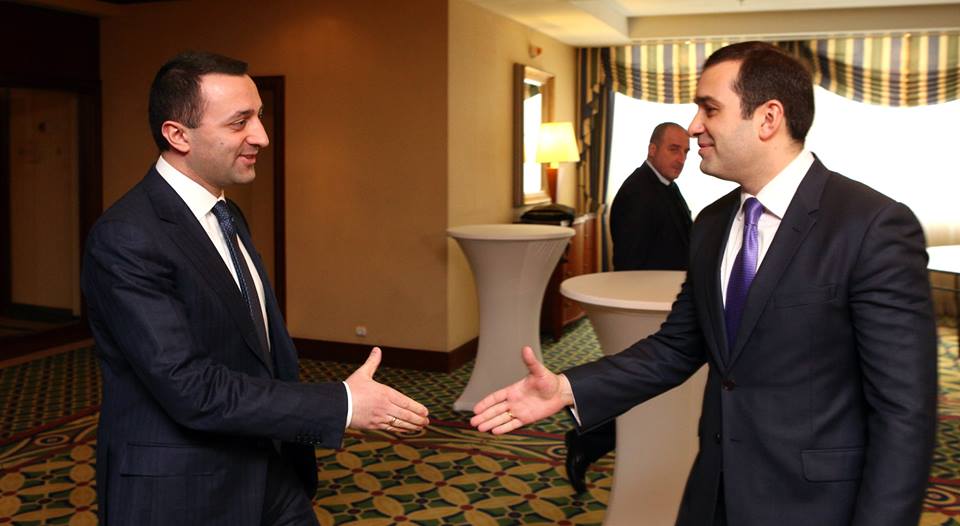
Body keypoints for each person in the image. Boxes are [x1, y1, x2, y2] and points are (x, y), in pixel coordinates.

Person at [471, 41, 936, 525]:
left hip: (813, 505)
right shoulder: (712, 223)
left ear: (768, 118)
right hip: (713, 493)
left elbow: (904, 412)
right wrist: (568, 388)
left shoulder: (871, 225)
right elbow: (676, 347)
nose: (694, 126)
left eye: (709, 109)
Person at [81, 51, 429, 525]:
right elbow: (189, 386)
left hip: (266, 467)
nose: (262, 136)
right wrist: (341, 405)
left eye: (259, 116)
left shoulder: (227, 214)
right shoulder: (126, 236)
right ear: (178, 135)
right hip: (183, 487)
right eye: (239, 122)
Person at [564, 122, 693, 493]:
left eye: (685, 151)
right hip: (648, 313)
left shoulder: (664, 186)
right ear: (652, 149)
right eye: (673, 149)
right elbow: (631, 266)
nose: (681, 158)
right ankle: (586, 440)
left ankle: (590, 438)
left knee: (654, 396)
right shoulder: (638, 192)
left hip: (667, 305)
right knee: (643, 393)